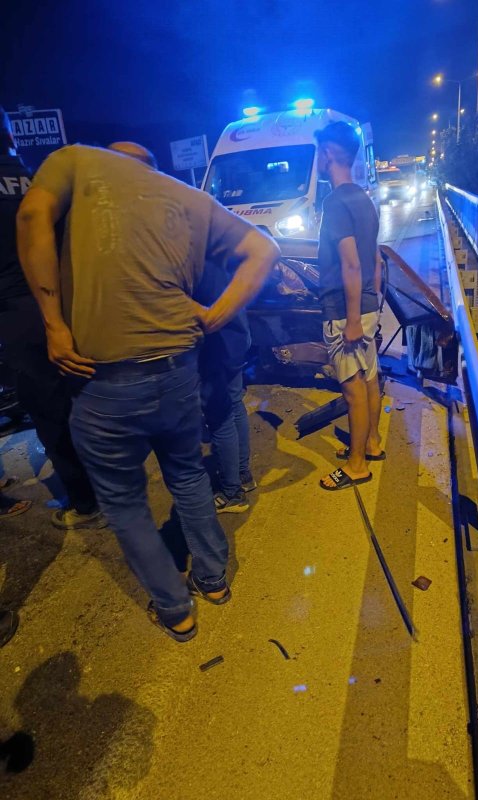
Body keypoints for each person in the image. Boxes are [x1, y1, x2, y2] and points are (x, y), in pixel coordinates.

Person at [17, 141, 279, 641]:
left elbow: (31, 216)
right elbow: (264, 250)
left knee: (123, 500)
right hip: (177, 371)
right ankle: (213, 579)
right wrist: (215, 316)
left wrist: (53, 323)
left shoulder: (77, 161)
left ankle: (176, 609)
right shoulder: (190, 198)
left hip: (105, 381)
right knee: (187, 475)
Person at [0, 106, 103, 528]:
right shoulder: (35, 179)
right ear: (10, 136)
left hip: (20, 313)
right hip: (68, 302)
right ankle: (113, 482)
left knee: (48, 410)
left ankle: (87, 502)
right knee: (82, 395)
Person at [315, 122, 385, 491]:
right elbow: (376, 259)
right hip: (367, 303)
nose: (317, 159)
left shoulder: (335, 202)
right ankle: (372, 443)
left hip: (345, 310)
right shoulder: (364, 199)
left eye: (318, 152)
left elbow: (352, 264)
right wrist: (373, 304)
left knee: (352, 388)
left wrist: (353, 320)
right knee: (369, 378)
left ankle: (356, 466)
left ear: (328, 153)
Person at [197, 263, 255, 513]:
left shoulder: (199, 259)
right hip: (235, 339)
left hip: (215, 347)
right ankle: (242, 474)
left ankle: (232, 492)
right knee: (234, 404)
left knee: (219, 419)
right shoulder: (224, 251)